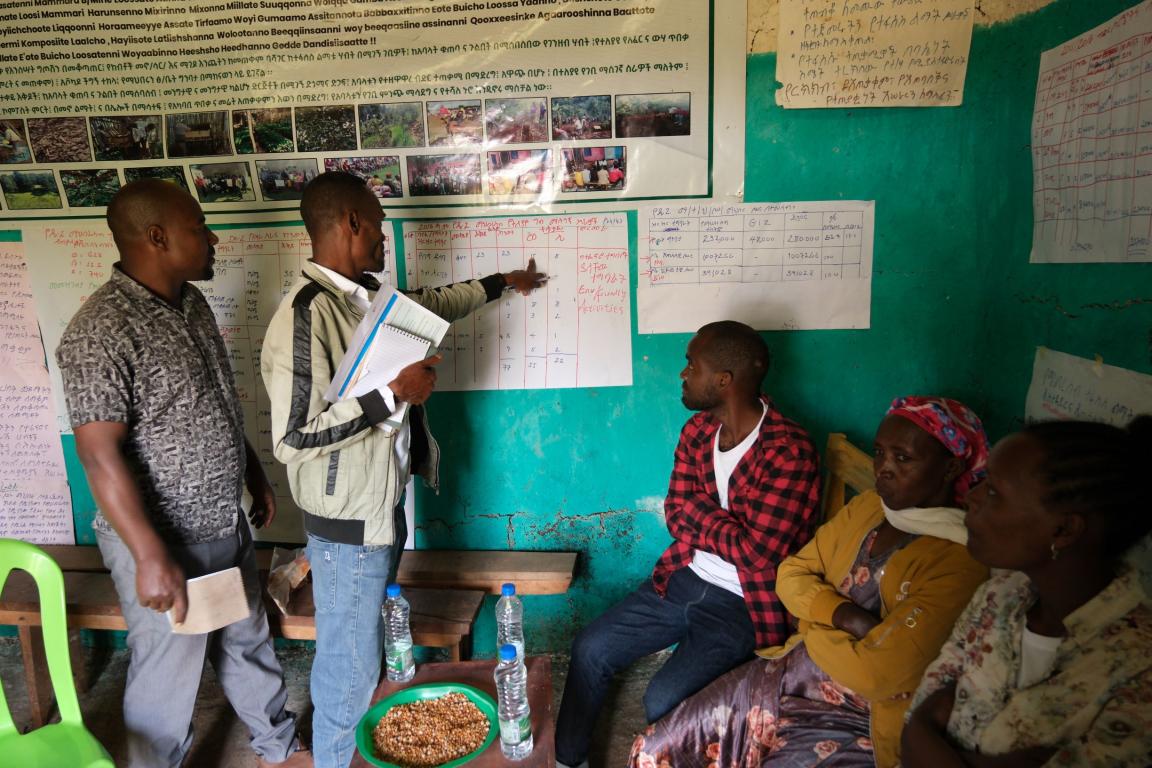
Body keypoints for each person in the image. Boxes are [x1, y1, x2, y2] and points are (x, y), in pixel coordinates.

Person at [259, 170, 547, 768]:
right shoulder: (307, 314)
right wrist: (392, 395)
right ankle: (335, 760)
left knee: (366, 656)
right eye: (379, 223)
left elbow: (434, 305)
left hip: (379, 510)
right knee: (350, 666)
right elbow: (293, 437)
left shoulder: (365, 296)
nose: (386, 234)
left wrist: (502, 284)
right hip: (346, 527)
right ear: (350, 223)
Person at [55, 180, 311, 768]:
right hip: (163, 540)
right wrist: (148, 553)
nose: (213, 238)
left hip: (222, 519)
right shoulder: (100, 331)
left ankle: (277, 744)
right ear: (157, 236)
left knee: (246, 639)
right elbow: (99, 454)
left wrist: (251, 470)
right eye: (200, 226)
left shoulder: (189, 303)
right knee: (167, 669)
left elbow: (214, 400)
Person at [629, 396, 991, 768]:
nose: (883, 468)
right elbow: (790, 574)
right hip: (786, 675)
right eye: (880, 453)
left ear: (950, 468)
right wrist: (845, 616)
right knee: (653, 749)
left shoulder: (959, 560)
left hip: (855, 715)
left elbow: (877, 676)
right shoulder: (868, 508)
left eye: (903, 458)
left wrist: (812, 621)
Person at [555, 321, 821, 768]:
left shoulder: (788, 450)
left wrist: (702, 516)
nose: (682, 374)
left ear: (724, 380)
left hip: (745, 603)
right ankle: (567, 759)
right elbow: (676, 514)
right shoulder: (697, 433)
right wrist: (727, 527)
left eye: (690, 365)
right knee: (590, 648)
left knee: (663, 697)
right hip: (685, 575)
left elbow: (758, 555)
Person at [902, 417, 1152, 767]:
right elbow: (916, 720)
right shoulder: (999, 596)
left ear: (1063, 530)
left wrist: (930, 740)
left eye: (993, 492)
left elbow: (925, 732)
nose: (972, 497)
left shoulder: (1138, 664)